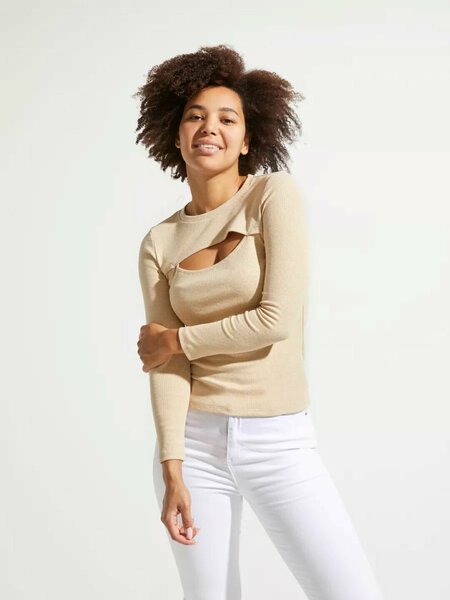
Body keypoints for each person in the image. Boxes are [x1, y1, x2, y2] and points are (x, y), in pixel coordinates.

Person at [135, 44, 385, 600]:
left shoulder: (273, 196)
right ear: (175, 135)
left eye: (228, 119)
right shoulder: (160, 241)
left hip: (279, 441)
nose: (210, 127)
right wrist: (172, 467)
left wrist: (177, 339)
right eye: (195, 116)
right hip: (194, 446)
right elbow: (166, 368)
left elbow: (275, 319)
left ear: (248, 140)